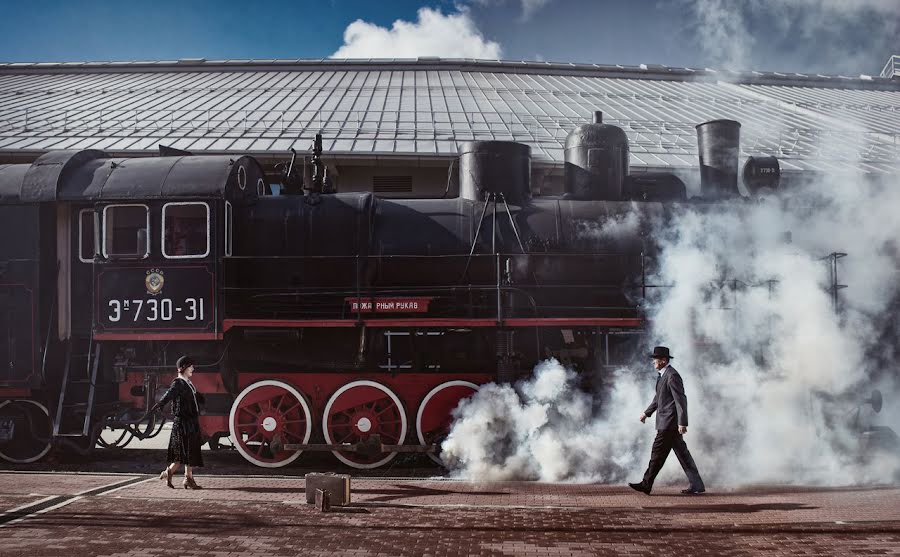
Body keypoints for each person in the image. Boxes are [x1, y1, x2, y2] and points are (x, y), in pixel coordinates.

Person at [628, 346, 705, 495]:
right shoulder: (663, 375)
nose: (653, 363)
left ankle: (646, 484)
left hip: (668, 424)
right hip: (668, 424)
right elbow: (658, 398)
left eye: (655, 360)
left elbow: (681, 400)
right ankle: (697, 484)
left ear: (663, 361)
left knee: (657, 454)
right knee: (683, 455)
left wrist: (682, 422)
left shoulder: (672, 376)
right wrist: (646, 413)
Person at [149, 355, 205, 489]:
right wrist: (160, 404)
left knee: (189, 451)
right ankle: (170, 473)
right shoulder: (178, 383)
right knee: (182, 454)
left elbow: (192, 397)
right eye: (190, 366)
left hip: (190, 421)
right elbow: (170, 394)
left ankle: (187, 478)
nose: (193, 368)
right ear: (184, 368)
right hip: (183, 422)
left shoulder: (188, 382)